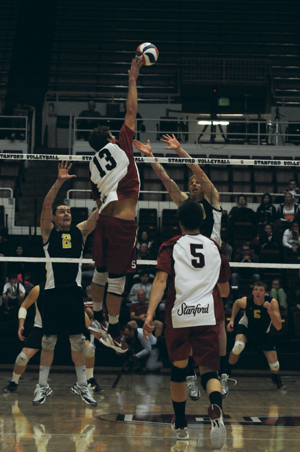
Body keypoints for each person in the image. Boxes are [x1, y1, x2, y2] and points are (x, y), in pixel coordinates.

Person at [133, 135, 228, 401]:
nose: (196, 184)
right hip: (191, 268)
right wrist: (152, 159)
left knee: (218, 322)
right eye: (193, 184)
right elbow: (167, 181)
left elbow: (200, 172)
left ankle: (220, 373)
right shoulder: (186, 207)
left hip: (212, 264)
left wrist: (180, 150)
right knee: (186, 324)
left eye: (198, 183)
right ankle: (189, 376)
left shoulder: (213, 201)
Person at [143, 199, 230, 449]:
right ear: (202, 221)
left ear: (179, 221)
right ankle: (216, 408)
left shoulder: (171, 246)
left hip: (180, 314)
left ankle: (181, 423)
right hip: (207, 314)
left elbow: (160, 282)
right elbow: (224, 290)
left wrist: (150, 315)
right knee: (209, 372)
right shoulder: (215, 248)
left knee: (179, 370)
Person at [87, 57, 147, 353]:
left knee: (99, 273)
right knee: (117, 281)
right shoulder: (120, 142)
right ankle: (111, 329)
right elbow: (132, 109)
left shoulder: (91, 165)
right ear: (109, 137)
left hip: (103, 223)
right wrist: (133, 78)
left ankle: (97, 319)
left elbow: (97, 201)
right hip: (123, 223)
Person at [35, 161, 99, 406]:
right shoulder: (47, 232)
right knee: (48, 341)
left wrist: (102, 193)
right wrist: (60, 181)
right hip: (51, 293)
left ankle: (83, 386)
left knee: (77, 341)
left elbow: (98, 214)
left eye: (68, 211)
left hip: (73, 294)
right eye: (62, 211)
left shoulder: (79, 233)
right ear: (54, 217)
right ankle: (42, 387)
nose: (66, 214)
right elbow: (45, 204)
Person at [3, 284, 102, 394]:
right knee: (22, 357)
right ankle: (14, 382)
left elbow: (80, 312)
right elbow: (24, 306)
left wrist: (92, 329)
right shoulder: (38, 289)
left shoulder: (68, 289)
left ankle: (90, 380)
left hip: (65, 327)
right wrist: (21, 324)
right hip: (42, 328)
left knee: (89, 349)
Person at [225, 281, 286, 392]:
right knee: (238, 346)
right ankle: (226, 373)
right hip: (246, 329)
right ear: (252, 292)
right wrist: (232, 320)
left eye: (261, 290)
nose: (258, 292)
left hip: (263, 333)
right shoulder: (246, 301)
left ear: (265, 293)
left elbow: (278, 327)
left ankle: (276, 378)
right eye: (256, 290)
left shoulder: (272, 303)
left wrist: (270, 312)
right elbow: (236, 304)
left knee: (275, 366)